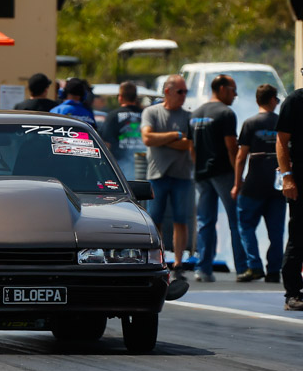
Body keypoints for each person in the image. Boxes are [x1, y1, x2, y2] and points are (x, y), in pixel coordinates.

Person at [189, 74, 247, 282]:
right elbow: (232, 147)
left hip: (202, 174)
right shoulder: (225, 113)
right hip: (223, 173)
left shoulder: (195, 114)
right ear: (222, 89)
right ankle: (242, 268)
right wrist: (238, 178)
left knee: (205, 222)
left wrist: (198, 168)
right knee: (236, 220)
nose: (235, 95)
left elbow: (191, 148)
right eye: (233, 90)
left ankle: (203, 269)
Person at [141, 74, 194, 280]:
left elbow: (188, 144)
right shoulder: (152, 112)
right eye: (180, 91)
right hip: (157, 175)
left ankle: (178, 262)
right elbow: (147, 138)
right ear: (167, 92)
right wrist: (174, 135)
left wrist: (161, 139)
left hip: (182, 175)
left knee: (181, 220)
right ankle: (159, 260)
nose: (183, 95)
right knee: (155, 221)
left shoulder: (188, 116)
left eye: (185, 92)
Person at [231, 84, 284, 283]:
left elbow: (240, 157)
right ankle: (274, 271)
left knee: (245, 225)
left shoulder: (250, 123)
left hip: (253, 184)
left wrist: (237, 184)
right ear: (272, 100)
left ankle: (254, 266)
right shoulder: (282, 122)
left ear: (257, 100)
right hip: (278, 185)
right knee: (276, 231)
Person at [275, 77, 303, 310]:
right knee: (299, 235)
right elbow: (281, 141)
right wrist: (287, 177)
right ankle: (292, 293)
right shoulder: (295, 101)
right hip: (299, 180)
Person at [99, 81, 146, 180]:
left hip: (121, 171)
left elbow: (107, 144)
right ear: (135, 97)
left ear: (120, 97)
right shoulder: (146, 114)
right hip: (145, 168)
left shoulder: (113, 116)